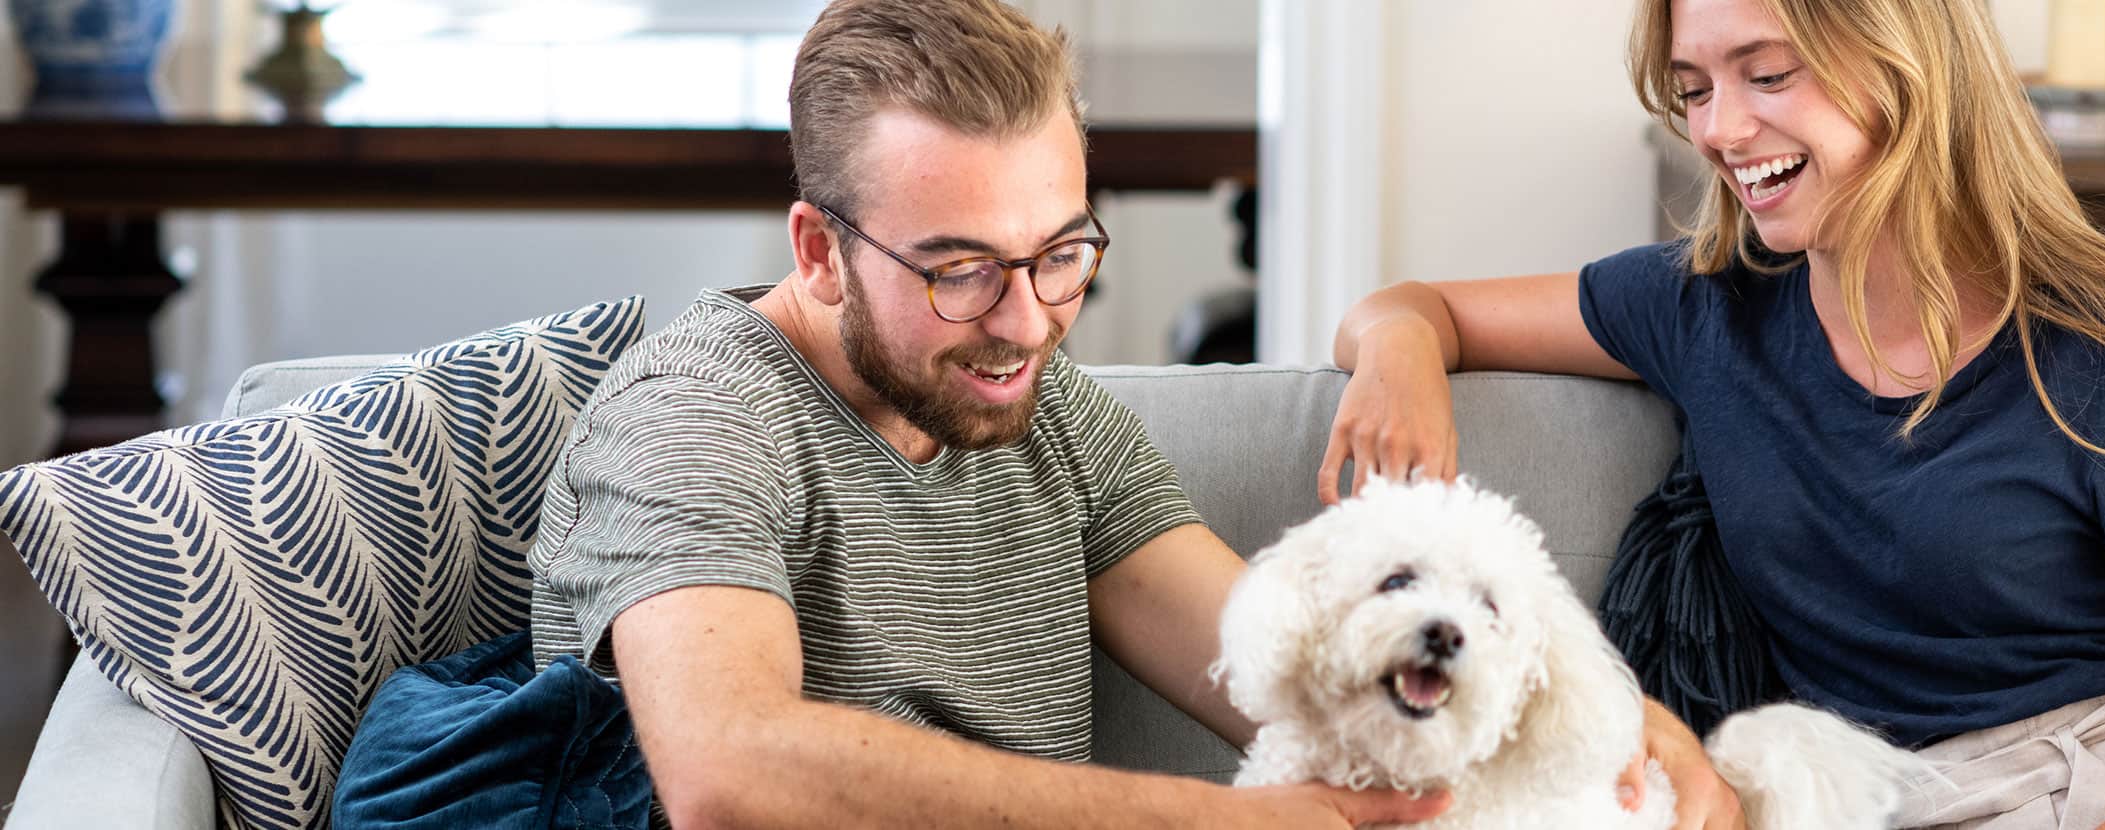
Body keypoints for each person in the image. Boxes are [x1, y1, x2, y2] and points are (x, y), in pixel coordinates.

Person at [522, 1, 1731, 827]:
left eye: (1059, 252)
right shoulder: (697, 416)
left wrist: (1614, 726)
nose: (1028, 320)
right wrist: (1221, 818)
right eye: (958, 269)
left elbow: (1284, 659)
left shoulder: (1049, 417)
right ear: (819, 250)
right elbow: (729, 776)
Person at [1319, 0, 2105, 827]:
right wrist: (1399, 349)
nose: (1722, 129)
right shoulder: (1703, 307)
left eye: (1768, 74)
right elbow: (1413, 307)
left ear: (1906, 65)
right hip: (1886, 797)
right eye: (1693, 87)